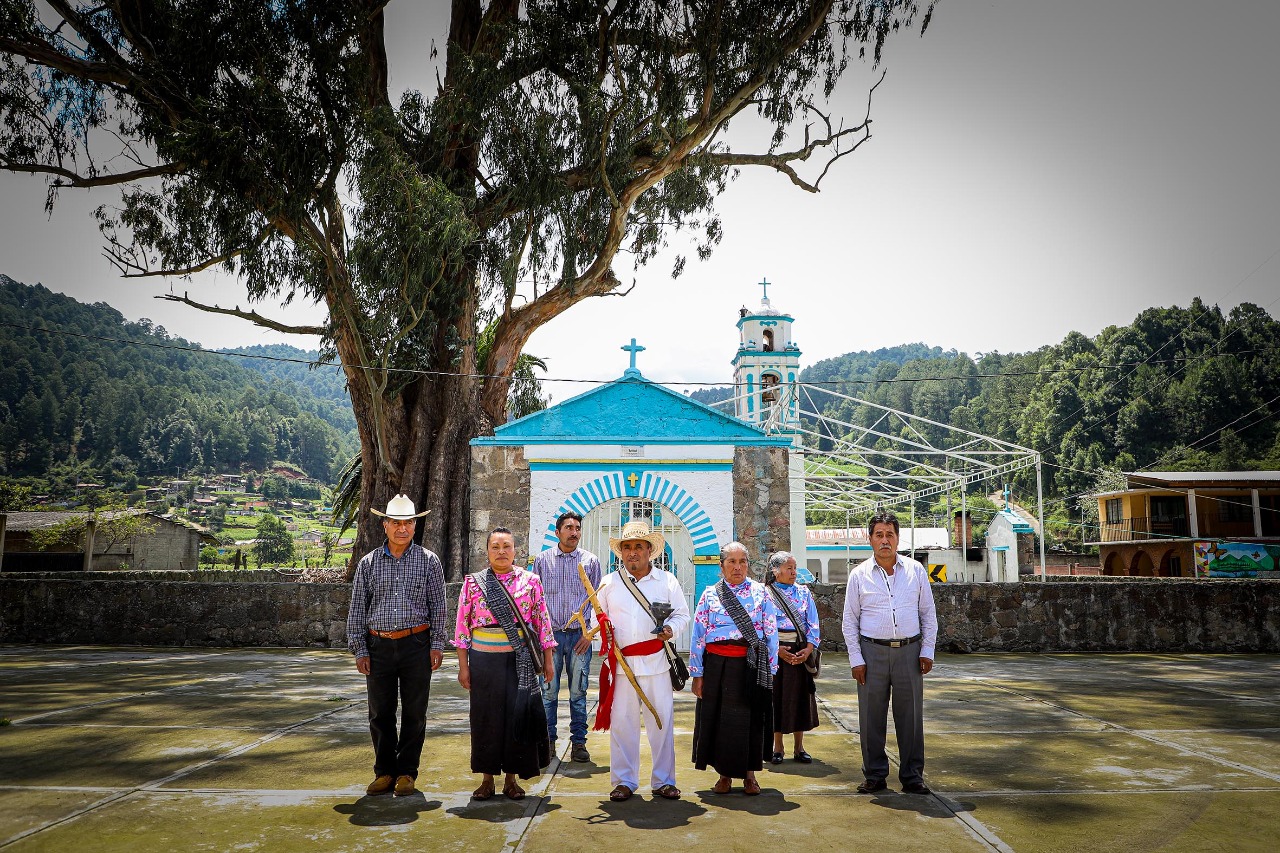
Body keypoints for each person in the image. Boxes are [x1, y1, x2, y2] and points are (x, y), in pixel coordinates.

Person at [345, 494, 448, 798]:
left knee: (415, 711)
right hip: (379, 644)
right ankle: (384, 772)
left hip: (417, 643)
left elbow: (438, 607)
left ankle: (407, 773)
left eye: (408, 523)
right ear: (385, 525)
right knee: (380, 712)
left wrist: (436, 644)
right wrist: (360, 649)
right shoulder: (368, 563)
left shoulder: (429, 561)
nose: (402, 529)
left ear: (415, 525)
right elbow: (357, 610)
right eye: (396, 523)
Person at [454, 527, 556, 801]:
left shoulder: (531, 581)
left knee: (516, 717)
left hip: (518, 661)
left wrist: (548, 661)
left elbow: (542, 623)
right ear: (486, 551)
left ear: (515, 550)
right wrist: (464, 666)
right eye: (495, 547)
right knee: (485, 718)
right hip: (483, 661)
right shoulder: (473, 583)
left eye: (506, 546)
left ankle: (512, 779)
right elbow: (462, 627)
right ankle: (487, 779)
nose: (501, 552)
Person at [841, 510, 938, 795]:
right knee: (871, 717)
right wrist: (856, 659)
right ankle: (874, 775)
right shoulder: (859, 575)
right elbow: (850, 621)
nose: (885, 540)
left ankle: (912, 776)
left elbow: (928, 614)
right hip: (872, 654)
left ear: (898, 538)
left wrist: (927, 650)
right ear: (869, 539)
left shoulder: (915, 571)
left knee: (910, 717)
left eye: (890, 535)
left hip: (910, 652)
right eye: (879, 535)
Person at [595, 520, 690, 802]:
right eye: (627, 547)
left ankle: (663, 781)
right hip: (622, 667)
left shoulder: (667, 581)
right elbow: (594, 621)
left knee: (661, 723)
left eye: (639, 546)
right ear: (620, 552)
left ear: (650, 550)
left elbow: (682, 615)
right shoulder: (608, 584)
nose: (633, 552)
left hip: (657, 663)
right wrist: (605, 636)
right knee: (623, 725)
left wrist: (671, 629)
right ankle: (624, 781)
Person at [690, 542, 778, 796]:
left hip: (750, 665)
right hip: (718, 665)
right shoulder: (710, 595)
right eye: (732, 562)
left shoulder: (761, 593)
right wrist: (698, 674)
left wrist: (770, 670)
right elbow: (699, 635)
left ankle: (750, 776)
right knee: (720, 721)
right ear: (721, 566)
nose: (737, 567)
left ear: (748, 565)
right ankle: (724, 775)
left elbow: (770, 632)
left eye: (742, 562)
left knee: (751, 719)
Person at [531, 511, 601, 763]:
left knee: (578, 693)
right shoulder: (542, 561)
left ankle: (579, 743)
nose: (574, 532)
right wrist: (541, 639)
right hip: (551, 640)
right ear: (557, 531)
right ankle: (547, 742)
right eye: (569, 527)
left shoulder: (590, 561)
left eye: (577, 528)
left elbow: (596, 601)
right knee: (548, 693)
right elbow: (535, 602)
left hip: (579, 640)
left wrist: (589, 633)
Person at [765, 550, 820, 764]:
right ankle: (777, 747)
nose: (794, 572)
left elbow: (813, 623)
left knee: (800, 698)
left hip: (799, 650)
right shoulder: (765, 594)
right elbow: (761, 625)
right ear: (776, 571)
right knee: (776, 698)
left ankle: (799, 747)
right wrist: (776, 650)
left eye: (794, 568)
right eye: (789, 568)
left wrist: (808, 648)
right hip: (775, 652)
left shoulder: (804, 593)